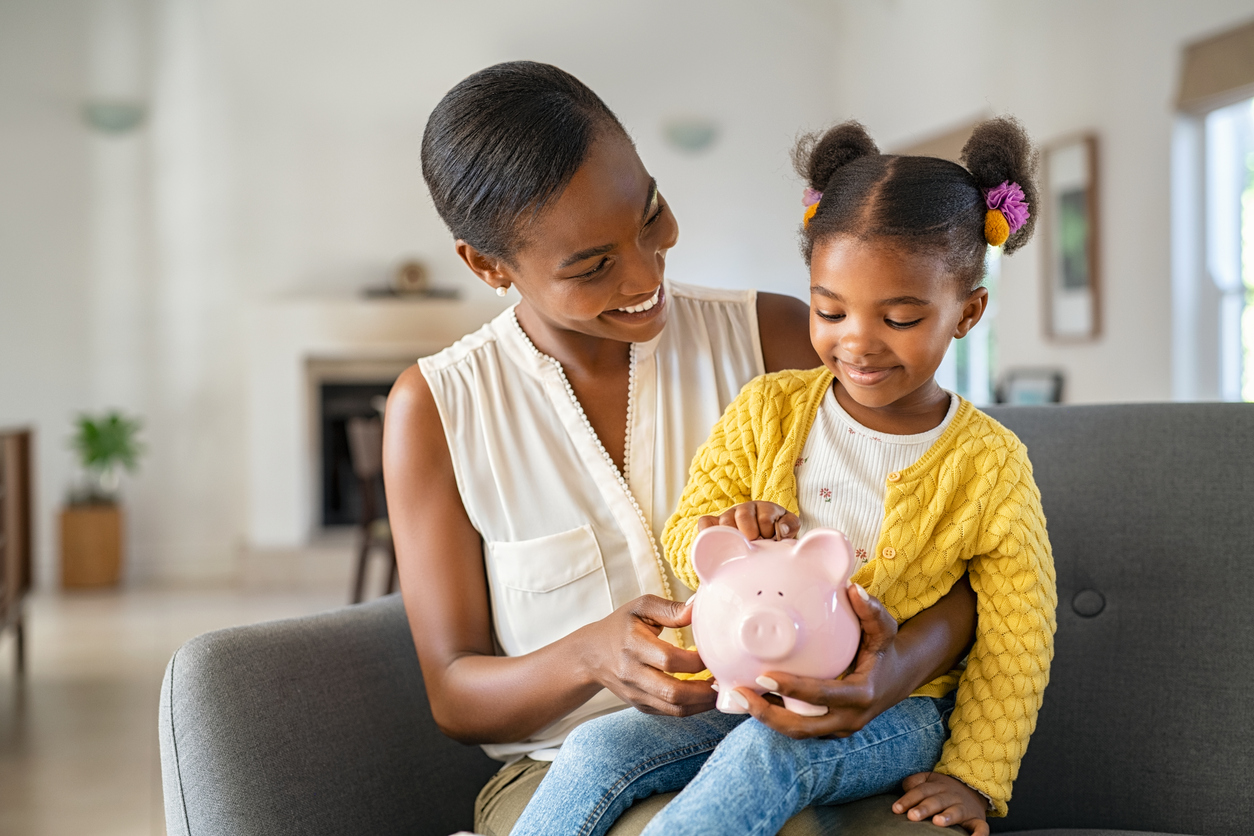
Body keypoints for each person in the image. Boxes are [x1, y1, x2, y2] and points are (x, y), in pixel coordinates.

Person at [383, 61, 980, 836]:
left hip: (799, 735)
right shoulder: (438, 408)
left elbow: (965, 549)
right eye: (593, 265)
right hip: (566, 776)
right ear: (488, 266)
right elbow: (455, 695)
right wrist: (587, 657)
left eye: (651, 213)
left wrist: (891, 672)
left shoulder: (776, 339)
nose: (645, 271)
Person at [510, 118, 1057, 836]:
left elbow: (1020, 637)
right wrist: (724, 529)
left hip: (902, 708)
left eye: (898, 318)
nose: (856, 341)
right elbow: (688, 531)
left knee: (768, 757)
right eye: (829, 311)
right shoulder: (769, 408)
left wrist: (973, 779)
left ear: (967, 313)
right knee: (600, 745)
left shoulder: (990, 465)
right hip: (743, 684)